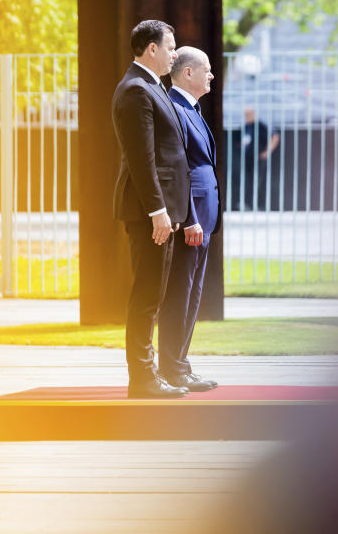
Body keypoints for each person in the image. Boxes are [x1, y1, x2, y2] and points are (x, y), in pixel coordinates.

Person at [111, 20, 191, 399]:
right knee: (146, 295)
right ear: (151, 49)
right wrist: (157, 211)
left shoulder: (152, 86)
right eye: (170, 46)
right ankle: (142, 380)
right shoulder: (135, 91)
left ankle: (152, 375)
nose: (174, 53)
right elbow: (143, 160)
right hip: (150, 213)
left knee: (154, 295)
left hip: (164, 212)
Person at [158, 46, 221, 392]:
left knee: (193, 294)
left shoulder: (191, 108)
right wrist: (191, 218)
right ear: (187, 74)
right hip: (190, 219)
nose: (211, 75)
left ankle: (181, 365)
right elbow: (178, 168)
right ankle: (171, 368)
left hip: (203, 218)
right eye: (206, 69)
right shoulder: (176, 109)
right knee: (179, 294)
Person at [237, 107, 279, 210]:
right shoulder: (245, 127)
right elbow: (239, 141)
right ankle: (248, 204)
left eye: (248, 115)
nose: (246, 117)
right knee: (248, 180)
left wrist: (267, 152)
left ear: (254, 114)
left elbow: (275, 136)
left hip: (259, 159)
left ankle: (257, 204)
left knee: (257, 181)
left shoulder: (261, 126)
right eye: (245, 115)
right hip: (248, 158)